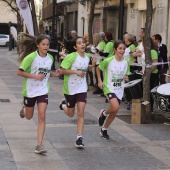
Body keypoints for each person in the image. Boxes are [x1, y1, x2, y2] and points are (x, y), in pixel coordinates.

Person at [17, 33, 62, 154]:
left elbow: (46, 74)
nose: (46, 46)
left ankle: (39, 144)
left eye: (47, 44)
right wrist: (34, 76)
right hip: (30, 91)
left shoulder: (50, 58)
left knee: (42, 116)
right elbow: (20, 72)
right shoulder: (31, 57)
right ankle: (24, 109)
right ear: (38, 45)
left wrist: (54, 74)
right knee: (29, 116)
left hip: (43, 91)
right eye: (43, 44)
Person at [59, 36, 96, 148]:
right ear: (75, 47)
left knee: (81, 112)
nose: (82, 44)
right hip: (70, 88)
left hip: (81, 88)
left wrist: (92, 66)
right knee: (71, 114)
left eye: (83, 42)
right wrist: (75, 72)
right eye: (79, 43)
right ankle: (63, 105)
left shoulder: (87, 57)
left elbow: (84, 69)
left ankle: (79, 138)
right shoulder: (71, 57)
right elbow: (62, 70)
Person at [96, 40, 129, 139]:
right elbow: (98, 68)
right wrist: (99, 81)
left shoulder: (126, 62)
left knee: (114, 112)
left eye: (123, 49)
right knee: (115, 107)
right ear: (115, 49)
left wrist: (126, 78)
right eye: (120, 48)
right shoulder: (109, 60)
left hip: (119, 88)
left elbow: (126, 74)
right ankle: (104, 113)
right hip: (109, 87)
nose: (122, 51)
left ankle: (104, 130)